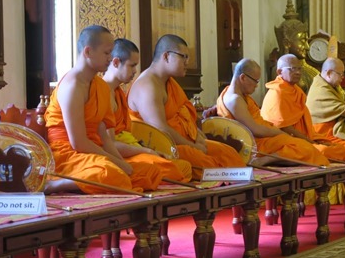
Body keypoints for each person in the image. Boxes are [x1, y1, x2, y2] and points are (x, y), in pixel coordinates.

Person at [44, 25, 162, 194]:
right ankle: (55, 184)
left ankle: (94, 181)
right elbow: (78, 142)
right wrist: (117, 164)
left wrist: (121, 162)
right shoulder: (72, 86)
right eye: (107, 53)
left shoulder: (100, 86)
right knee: (111, 174)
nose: (110, 58)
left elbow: (104, 138)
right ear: (88, 52)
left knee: (151, 172)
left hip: (93, 152)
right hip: (68, 154)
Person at [128, 34, 246, 180]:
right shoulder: (148, 86)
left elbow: (184, 115)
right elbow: (160, 130)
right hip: (164, 146)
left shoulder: (168, 82)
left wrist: (197, 135)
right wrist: (193, 146)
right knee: (211, 165)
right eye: (183, 57)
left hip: (184, 141)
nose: (187, 62)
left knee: (228, 153)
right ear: (166, 56)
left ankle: (239, 199)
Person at [102, 38, 192, 183]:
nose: (135, 71)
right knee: (175, 168)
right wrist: (147, 151)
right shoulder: (102, 92)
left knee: (182, 167)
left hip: (130, 148)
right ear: (116, 63)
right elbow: (109, 144)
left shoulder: (117, 92)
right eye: (132, 66)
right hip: (116, 154)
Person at [216, 58, 330, 167]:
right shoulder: (235, 99)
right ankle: (264, 160)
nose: (256, 85)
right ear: (243, 78)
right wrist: (279, 133)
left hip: (264, 137)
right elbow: (254, 129)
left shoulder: (236, 95)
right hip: (256, 143)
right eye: (255, 81)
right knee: (304, 148)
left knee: (305, 147)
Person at [262, 54, 345, 163]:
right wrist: (310, 142)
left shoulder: (297, 91)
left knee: (339, 146)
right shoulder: (277, 93)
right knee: (322, 150)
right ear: (279, 72)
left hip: (303, 138)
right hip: (285, 140)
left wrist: (316, 140)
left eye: (299, 68)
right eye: (293, 69)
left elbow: (305, 124)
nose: (298, 72)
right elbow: (285, 129)